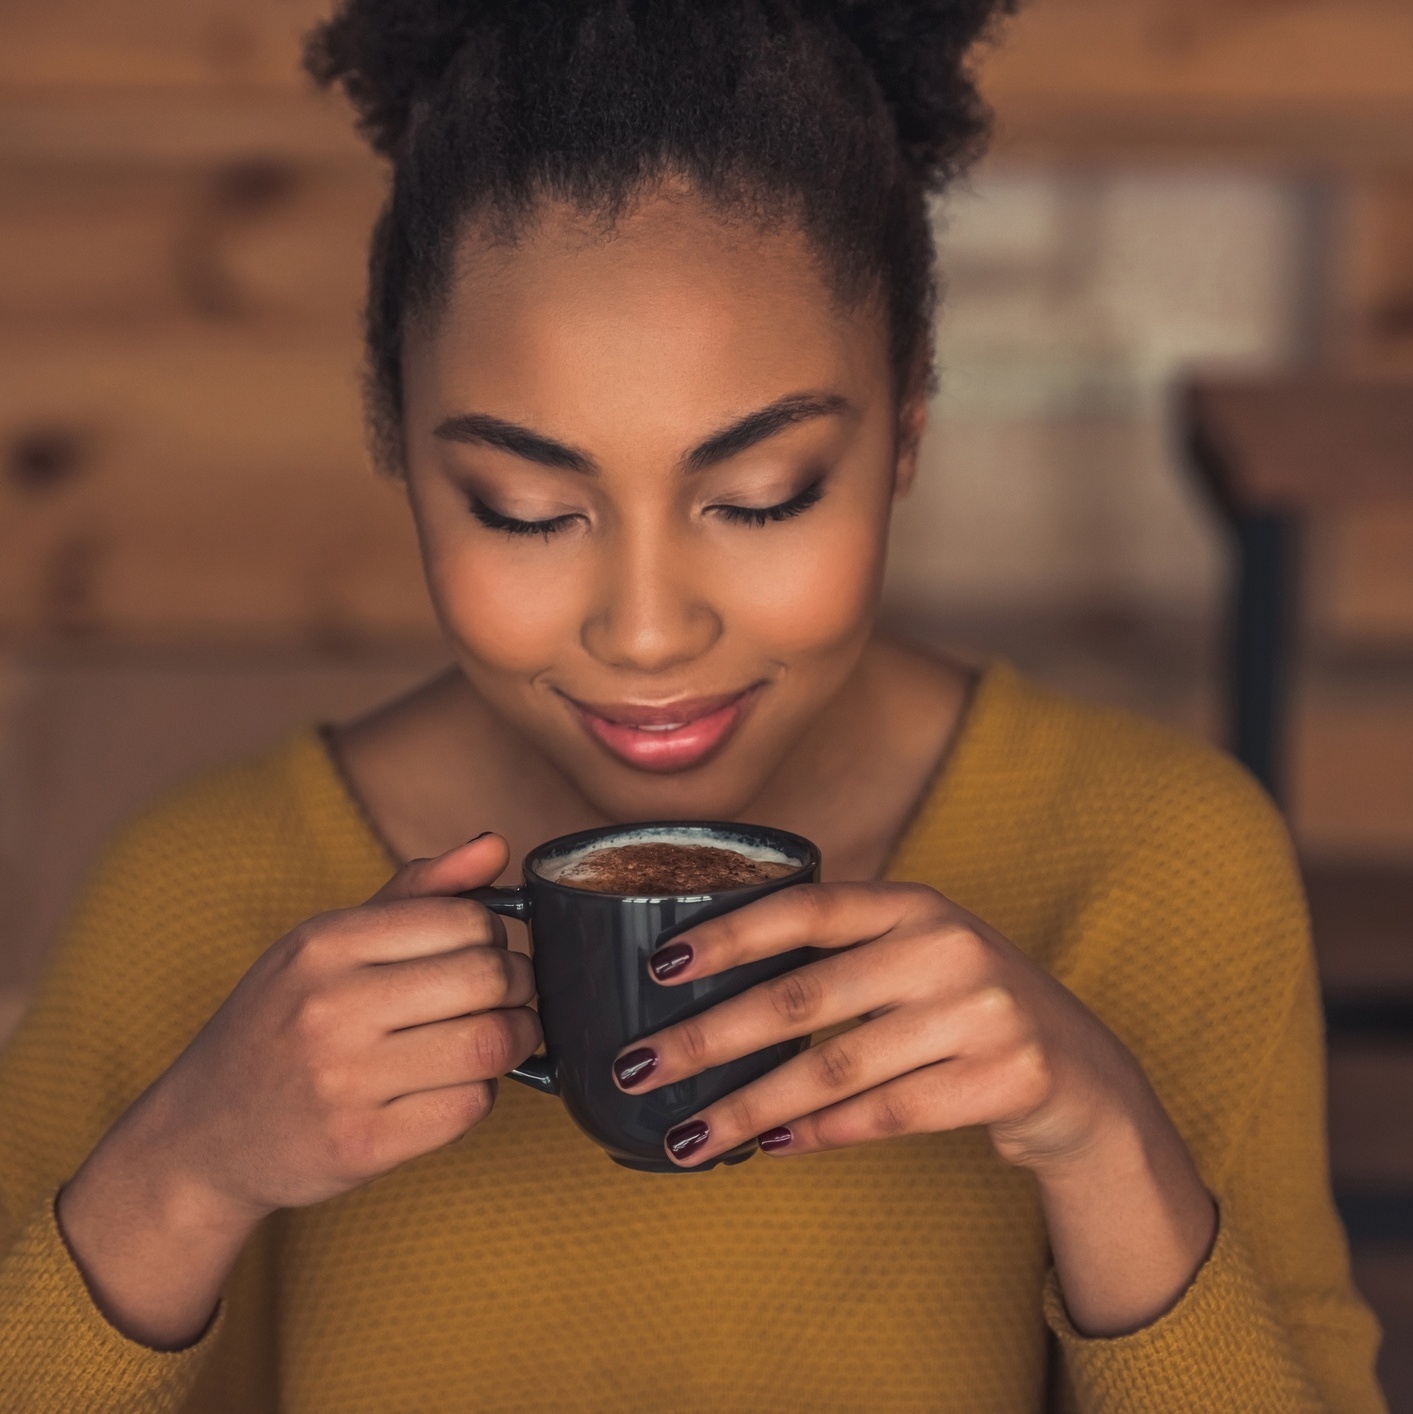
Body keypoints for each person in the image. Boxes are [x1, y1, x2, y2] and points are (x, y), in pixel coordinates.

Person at [0, 1, 1385, 1409]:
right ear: (399, 453)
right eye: (524, 509)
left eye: (763, 496)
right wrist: (183, 1175)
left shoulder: (1154, 860)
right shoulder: (204, 893)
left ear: (907, 432)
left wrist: (1106, 1147)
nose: (648, 633)